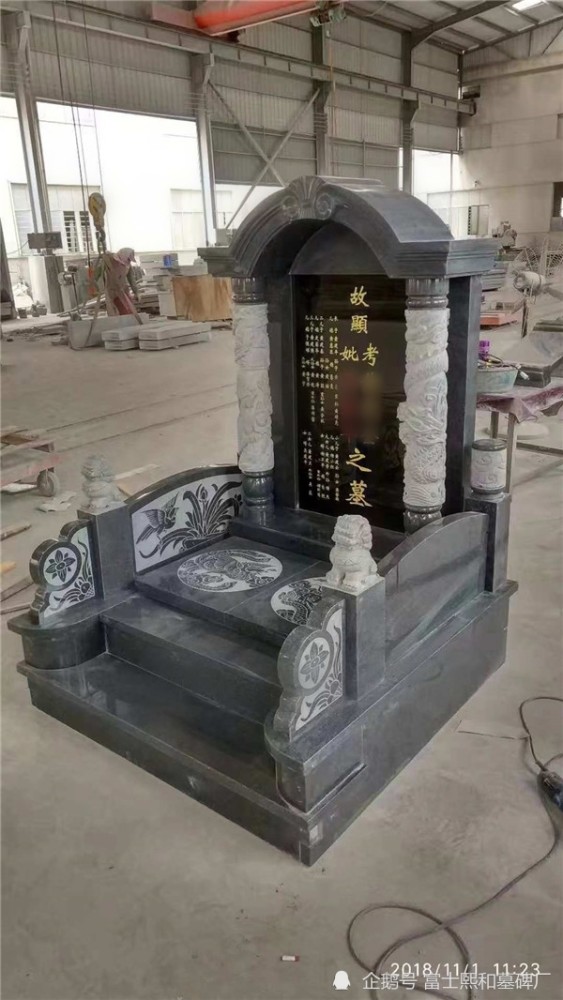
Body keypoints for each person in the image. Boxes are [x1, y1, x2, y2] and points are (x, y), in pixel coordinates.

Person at [97, 247, 139, 315]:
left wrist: (136, 292)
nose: (129, 261)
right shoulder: (109, 261)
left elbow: (131, 279)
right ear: (124, 256)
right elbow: (98, 274)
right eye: (128, 259)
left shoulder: (128, 265)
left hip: (124, 290)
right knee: (121, 311)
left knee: (130, 311)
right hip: (113, 291)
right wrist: (93, 284)